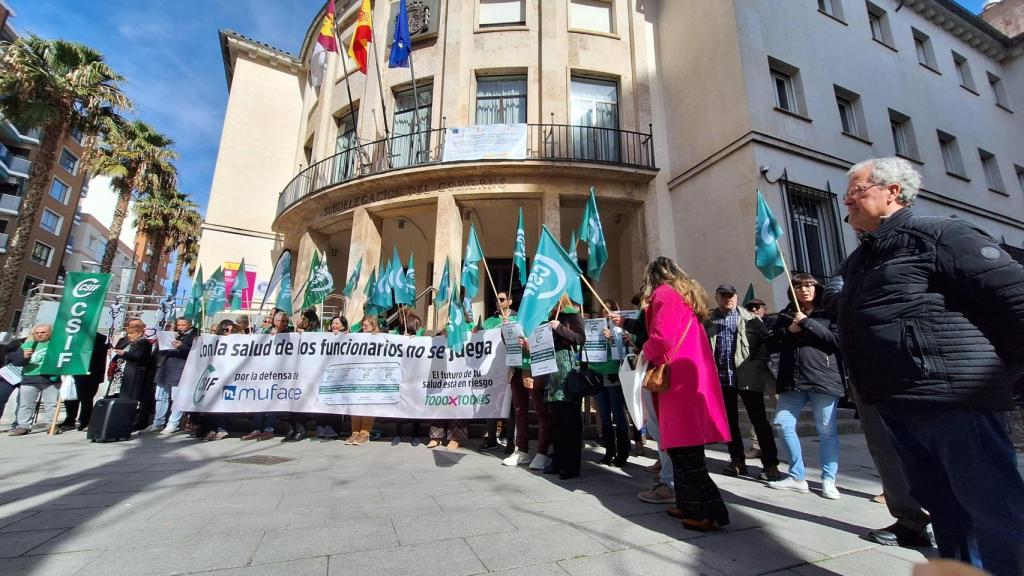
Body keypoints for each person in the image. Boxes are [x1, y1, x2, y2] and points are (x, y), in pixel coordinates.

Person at [837, 157, 1024, 574]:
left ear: (893, 192)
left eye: (855, 191)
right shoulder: (860, 261)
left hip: (955, 398)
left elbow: (1015, 300)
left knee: (995, 509)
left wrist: (1003, 376)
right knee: (943, 507)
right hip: (897, 401)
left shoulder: (941, 235)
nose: (846, 201)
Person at [640, 257, 730, 531]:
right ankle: (688, 503)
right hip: (688, 378)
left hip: (681, 381)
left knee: (685, 453)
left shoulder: (664, 294)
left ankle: (708, 511)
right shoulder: (682, 296)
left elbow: (662, 337)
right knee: (682, 450)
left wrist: (643, 352)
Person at [766, 274, 844, 499]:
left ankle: (829, 479)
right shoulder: (786, 315)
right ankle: (797, 475)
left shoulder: (829, 313)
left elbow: (834, 342)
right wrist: (788, 331)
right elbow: (770, 343)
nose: (804, 290)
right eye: (798, 286)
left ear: (817, 288)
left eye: (809, 285)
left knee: (826, 430)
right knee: (782, 423)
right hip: (793, 380)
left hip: (823, 379)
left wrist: (807, 323)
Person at [706, 284, 781, 481]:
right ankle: (737, 460)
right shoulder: (709, 321)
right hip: (722, 379)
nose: (728, 299)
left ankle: (771, 464)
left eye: (731, 295)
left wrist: (757, 365)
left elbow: (766, 344)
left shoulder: (751, 319)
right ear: (717, 298)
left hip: (748, 377)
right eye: (723, 296)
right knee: (730, 422)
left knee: (759, 421)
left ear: (737, 297)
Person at [539, 293, 587, 480]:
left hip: (567, 372)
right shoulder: (549, 318)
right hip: (553, 373)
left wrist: (560, 328)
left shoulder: (571, 315)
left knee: (570, 422)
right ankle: (557, 460)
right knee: (556, 421)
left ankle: (571, 465)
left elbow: (580, 339)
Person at [590, 299, 633, 467]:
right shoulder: (597, 327)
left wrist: (613, 338)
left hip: (614, 374)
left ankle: (622, 452)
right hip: (598, 374)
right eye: (603, 310)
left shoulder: (621, 328)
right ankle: (609, 451)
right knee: (604, 415)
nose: (605, 313)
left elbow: (629, 346)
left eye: (609, 309)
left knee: (618, 413)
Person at [241, 312, 289, 441]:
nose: (284, 323)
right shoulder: (265, 332)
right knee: (258, 401)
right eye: (281, 321)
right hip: (263, 373)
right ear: (275, 321)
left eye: (286, 321)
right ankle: (256, 429)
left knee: (272, 402)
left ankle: (269, 429)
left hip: (280, 374)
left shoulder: (290, 332)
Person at [148, 318, 198, 434]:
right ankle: (158, 422)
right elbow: (162, 351)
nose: (180, 327)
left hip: (179, 368)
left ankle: (173, 423)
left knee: (176, 398)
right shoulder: (174, 334)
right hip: (165, 368)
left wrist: (181, 346)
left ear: (189, 325)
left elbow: (194, 352)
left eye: (183, 325)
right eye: (179, 325)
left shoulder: (194, 336)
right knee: (160, 396)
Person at [8, 325, 60, 436]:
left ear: (50, 333)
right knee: (25, 404)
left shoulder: (56, 345)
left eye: (43, 332)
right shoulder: (26, 345)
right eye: (36, 333)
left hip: (50, 379)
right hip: (30, 379)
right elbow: (16, 362)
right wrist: (24, 357)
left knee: (51, 404)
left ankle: (51, 425)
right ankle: (23, 426)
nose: (39, 335)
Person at [483, 291, 516, 453]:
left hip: (511, 369)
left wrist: (509, 325)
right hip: (492, 370)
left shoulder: (517, 318)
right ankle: (491, 439)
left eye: (502, 299)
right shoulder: (489, 322)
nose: (498, 302)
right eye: (496, 299)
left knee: (510, 407)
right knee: (491, 405)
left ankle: (511, 441)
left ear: (510, 301)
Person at [110, 318, 155, 432]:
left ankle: (132, 422)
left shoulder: (143, 343)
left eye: (132, 333)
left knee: (131, 399)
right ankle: (115, 419)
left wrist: (124, 353)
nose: (129, 335)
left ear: (139, 332)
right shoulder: (124, 340)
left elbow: (140, 357)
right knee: (116, 396)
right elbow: (116, 352)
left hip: (134, 374)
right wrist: (113, 354)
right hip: (120, 372)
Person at [60, 332, 108, 431]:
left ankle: (85, 421)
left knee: (86, 398)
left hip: (90, 373)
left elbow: (98, 353)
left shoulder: (101, 338)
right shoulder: (72, 336)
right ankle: (70, 419)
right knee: (70, 397)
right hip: (73, 371)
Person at [346, 314, 380, 446]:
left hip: (372, 377)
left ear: (373, 326)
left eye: (367, 325)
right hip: (357, 376)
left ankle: (365, 433)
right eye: (363, 325)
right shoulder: (357, 337)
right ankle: (355, 432)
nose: (364, 327)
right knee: (355, 404)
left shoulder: (379, 338)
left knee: (367, 404)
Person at [391, 312, 423, 446]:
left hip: (416, 377)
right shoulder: (397, 335)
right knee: (400, 406)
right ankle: (397, 434)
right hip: (401, 376)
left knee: (415, 407)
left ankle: (416, 435)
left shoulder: (421, 336)